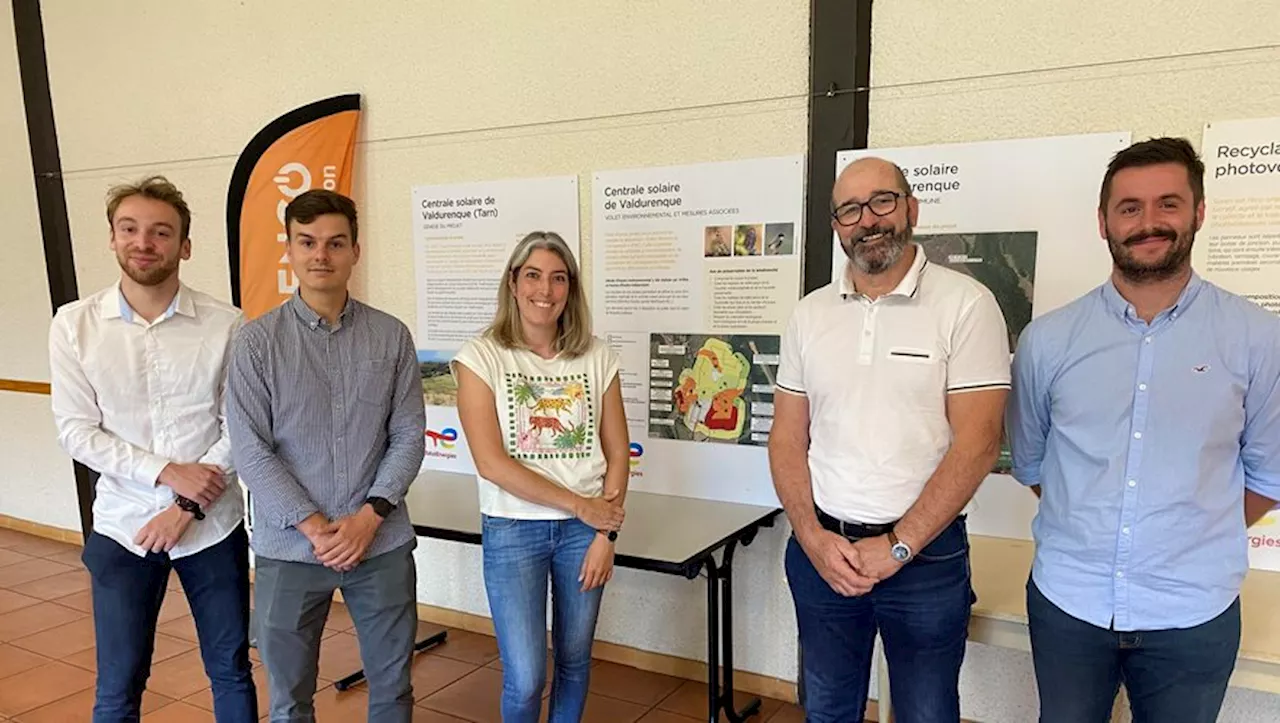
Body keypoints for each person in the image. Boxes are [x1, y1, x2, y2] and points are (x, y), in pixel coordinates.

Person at [1007, 137, 1280, 723]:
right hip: (1069, 605)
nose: (1148, 222)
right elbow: (1032, 465)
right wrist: (1092, 527)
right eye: (1129, 207)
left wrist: (1188, 540)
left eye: (1168, 204)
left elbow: (1270, 474)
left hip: (1193, 612)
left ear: (1199, 213)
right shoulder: (1048, 341)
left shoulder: (1258, 338)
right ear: (1103, 222)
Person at [770, 158, 1010, 722]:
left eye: (882, 201)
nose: (868, 220)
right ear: (837, 225)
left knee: (926, 713)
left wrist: (899, 544)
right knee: (827, 710)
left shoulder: (966, 306)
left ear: (911, 209)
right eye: (850, 209)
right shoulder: (809, 316)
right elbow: (786, 438)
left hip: (924, 562)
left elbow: (978, 443)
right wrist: (810, 536)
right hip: (822, 555)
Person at [49, 176, 256, 722]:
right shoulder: (74, 326)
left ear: (184, 246)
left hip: (212, 525)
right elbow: (77, 431)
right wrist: (167, 473)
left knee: (231, 670)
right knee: (119, 682)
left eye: (161, 232)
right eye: (130, 229)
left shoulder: (226, 323)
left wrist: (187, 504)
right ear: (113, 240)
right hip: (123, 525)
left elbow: (240, 428)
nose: (145, 242)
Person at [227, 189, 425, 723]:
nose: (322, 255)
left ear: (355, 251)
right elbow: (250, 450)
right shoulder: (255, 344)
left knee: (393, 688)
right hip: (288, 551)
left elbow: (408, 435)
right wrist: (315, 527)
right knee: (289, 700)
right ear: (289, 250)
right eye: (307, 242)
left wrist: (367, 519)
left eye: (336, 243)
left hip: (379, 545)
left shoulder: (391, 337)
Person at [452, 231, 629, 723]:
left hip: (585, 535)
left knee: (574, 661)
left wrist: (605, 532)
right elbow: (491, 463)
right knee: (527, 675)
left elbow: (618, 453)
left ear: (570, 288)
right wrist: (581, 506)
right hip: (513, 530)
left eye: (558, 278)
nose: (544, 290)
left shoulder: (597, 356)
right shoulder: (481, 357)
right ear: (513, 283)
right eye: (533, 276)